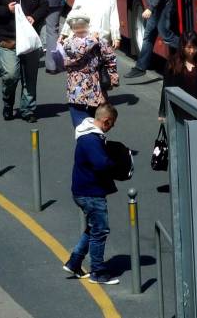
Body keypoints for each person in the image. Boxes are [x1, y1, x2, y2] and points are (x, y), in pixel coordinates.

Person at [65, 103, 121, 286]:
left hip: (83, 189)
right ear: (106, 121)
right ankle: (98, 271)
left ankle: (74, 262)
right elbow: (101, 164)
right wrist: (117, 164)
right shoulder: (91, 139)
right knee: (100, 230)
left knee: (94, 228)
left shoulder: (86, 134)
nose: (111, 128)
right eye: (111, 124)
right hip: (91, 192)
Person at [0, 0, 50, 122]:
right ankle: (8, 104)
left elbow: (45, 6)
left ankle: (27, 110)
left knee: (30, 77)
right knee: (10, 75)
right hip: (8, 40)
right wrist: (7, 10)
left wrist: (34, 17)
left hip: (29, 42)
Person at [62, 16, 119, 127]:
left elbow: (110, 57)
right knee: (80, 127)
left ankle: (98, 143)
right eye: (76, 28)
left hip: (97, 89)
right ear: (72, 29)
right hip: (77, 90)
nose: (80, 30)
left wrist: (113, 77)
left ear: (88, 26)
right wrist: (92, 41)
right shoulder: (68, 43)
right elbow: (77, 54)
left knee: (99, 126)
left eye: (83, 27)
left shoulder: (99, 41)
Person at [158, 31, 197, 119]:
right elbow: (166, 87)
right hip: (178, 111)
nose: (192, 51)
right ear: (182, 47)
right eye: (189, 47)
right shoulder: (172, 64)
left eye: (195, 47)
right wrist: (162, 112)